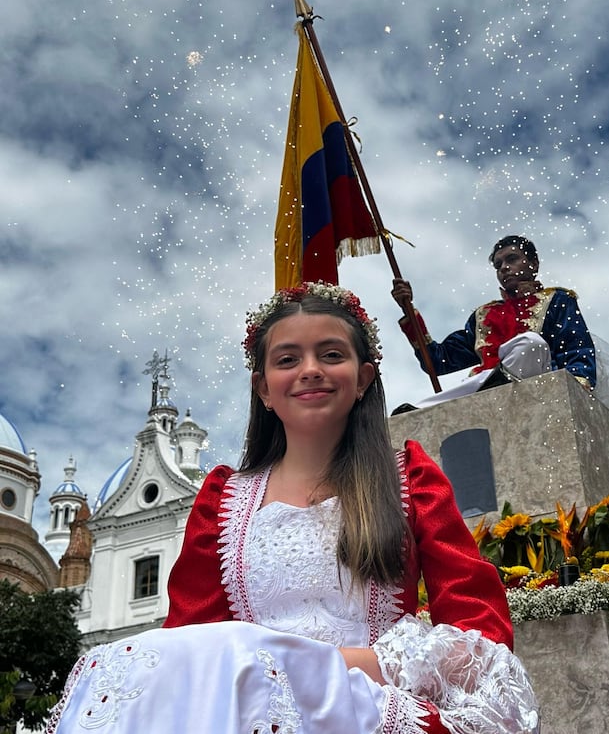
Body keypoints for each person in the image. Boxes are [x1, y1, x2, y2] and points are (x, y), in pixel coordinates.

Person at [46, 282, 539, 734]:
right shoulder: (222, 502)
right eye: (287, 359)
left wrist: (344, 667)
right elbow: (192, 640)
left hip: (371, 707)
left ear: (364, 377)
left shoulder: (408, 478)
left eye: (331, 354)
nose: (310, 370)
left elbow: (480, 627)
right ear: (262, 388)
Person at [391, 235, 596, 410]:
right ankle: (437, 407)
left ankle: (487, 390)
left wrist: (576, 394)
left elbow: (577, 348)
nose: (504, 268)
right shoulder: (484, 314)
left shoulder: (557, 300)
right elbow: (437, 362)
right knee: (419, 410)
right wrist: (408, 310)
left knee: (531, 344)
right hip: (484, 388)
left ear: (534, 264)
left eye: (512, 259)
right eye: (498, 265)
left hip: (538, 387)